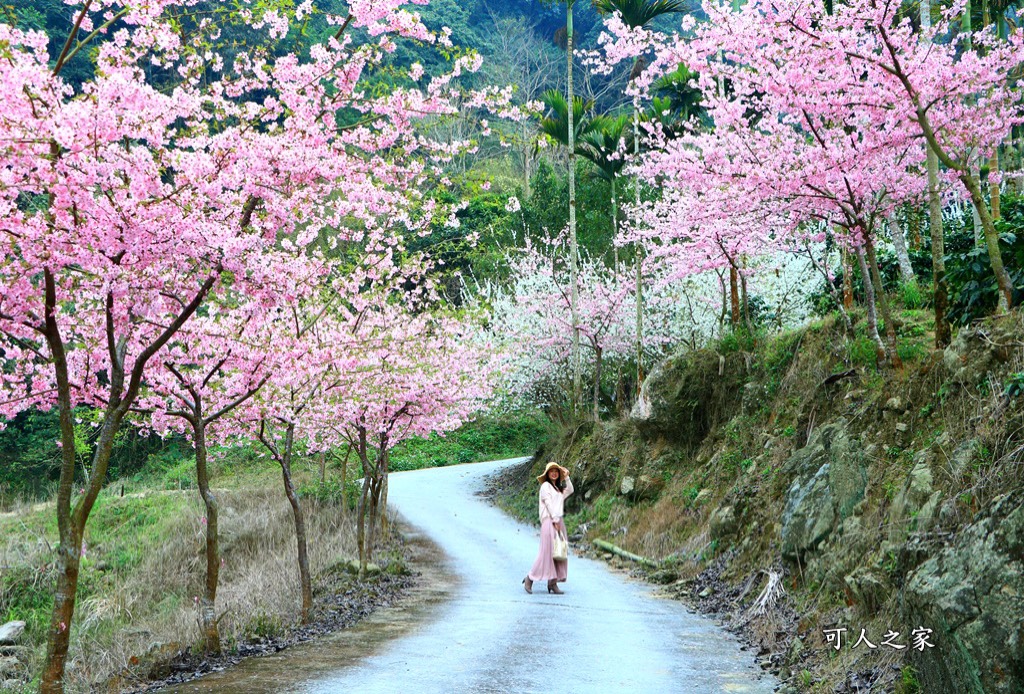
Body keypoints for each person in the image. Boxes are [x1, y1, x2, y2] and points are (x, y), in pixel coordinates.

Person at [523, 461, 574, 595]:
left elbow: (570, 490)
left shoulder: (558, 489)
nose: (554, 473)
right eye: (551, 471)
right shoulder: (545, 486)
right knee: (546, 553)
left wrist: (567, 476)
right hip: (550, 521)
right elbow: (548, 504)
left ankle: (553, 583)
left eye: (556, 471)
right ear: (547, 474)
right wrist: (555, 519)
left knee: (559, 552)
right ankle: (530, 578)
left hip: (558, 521)